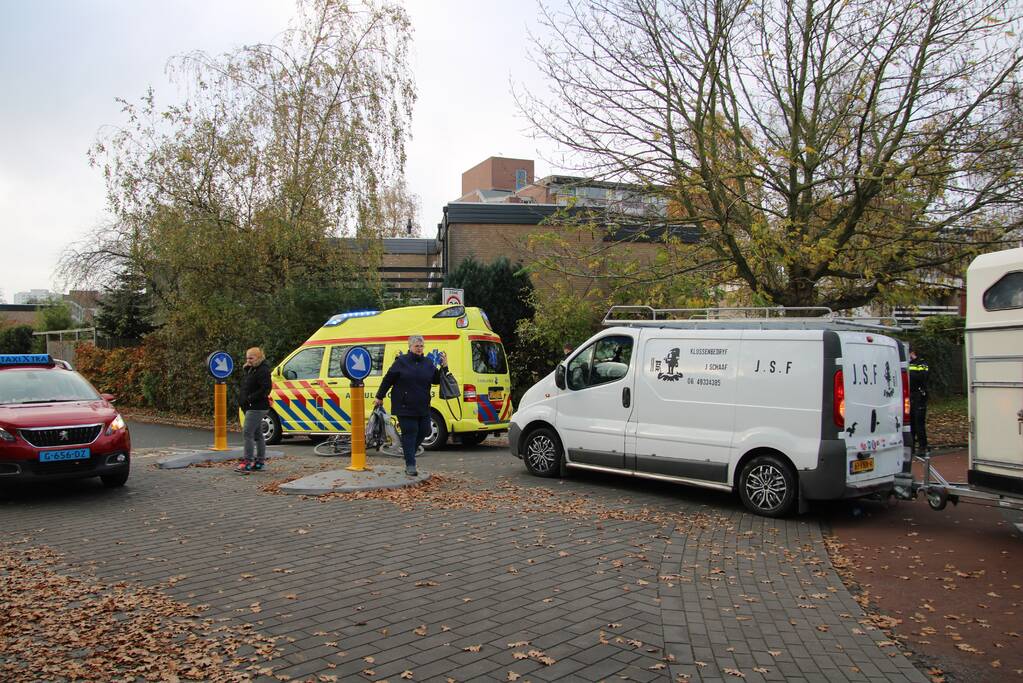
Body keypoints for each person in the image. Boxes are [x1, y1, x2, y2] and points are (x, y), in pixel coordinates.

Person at [374, 335, 447, 477]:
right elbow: (388, 380)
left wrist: (444, 366)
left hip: (423, 405)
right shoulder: (401, 362)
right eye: (416, 346)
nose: (419, 349)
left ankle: (408, 452)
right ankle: (410, 465)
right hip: (404, 405)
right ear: (410, 347)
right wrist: (379, 396)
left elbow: (436, 380)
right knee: (410, 432)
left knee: (425, 431)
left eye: (421, 346)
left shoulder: (428, 363)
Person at [237, 347, 272, 473]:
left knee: (247, 433)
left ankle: (248, 461)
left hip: (256, 407)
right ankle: (260, 462)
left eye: (251, 358)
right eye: (247, 358)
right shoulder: (252, 369)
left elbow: (266, 388)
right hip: (252, 406)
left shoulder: (262, 370)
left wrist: (250, 399)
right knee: (257, 435)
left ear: (258, 357)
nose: (248, 360)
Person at [908, 349, 930, 455]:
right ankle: (911, 447)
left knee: (918, 422)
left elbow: (923, 377)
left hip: (919, 395)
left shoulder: (922, 363)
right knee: (910, 422)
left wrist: (910, 373)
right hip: (909, 396)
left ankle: (923, 446)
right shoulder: (909, 363)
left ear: (912, 353)